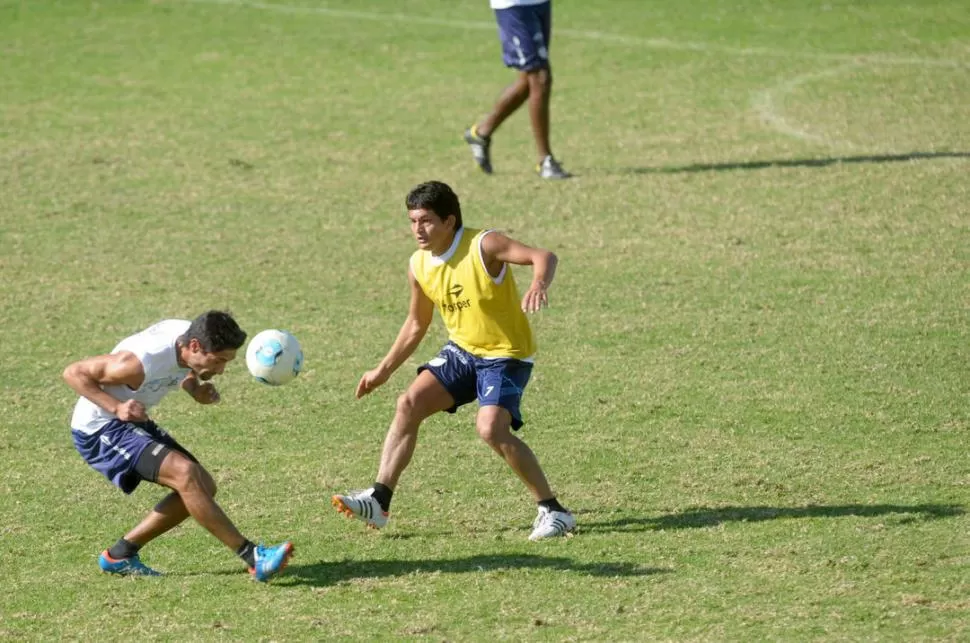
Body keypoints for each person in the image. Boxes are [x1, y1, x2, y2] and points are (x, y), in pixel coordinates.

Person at [332, 181, 575, 540]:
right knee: (409, 403)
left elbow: (544, 256)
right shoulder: (419, 265)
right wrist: (382, 371)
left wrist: (539, 283)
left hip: (505, 355)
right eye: (413, 221)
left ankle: (554, 511)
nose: (418, 229)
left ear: (450, 221)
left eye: (426, 221)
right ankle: (378, 500)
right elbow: (417, 323)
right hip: (463, 351)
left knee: (490, 429)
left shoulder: (483, 245)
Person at [63, 311, 293, 580]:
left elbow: (182, 368)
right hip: (99, 428)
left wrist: (194, 388)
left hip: (132, 421)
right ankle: (252, 556)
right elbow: (73, 373)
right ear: (195, 346)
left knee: (203, 486)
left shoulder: (188, 338)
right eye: (219, 360)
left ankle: (120, 554)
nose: (221, 370)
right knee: (186, 475)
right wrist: (117, 406)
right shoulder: (136, 363)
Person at [464, 0, 570, 180]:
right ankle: (545, 160)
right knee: (540, 78)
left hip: (539, 3)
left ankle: (481, 133)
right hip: (514, 6)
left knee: (528, 82)